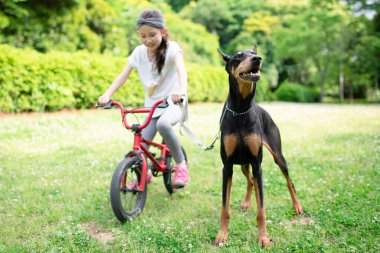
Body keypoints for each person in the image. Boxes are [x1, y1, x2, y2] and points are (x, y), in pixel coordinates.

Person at [98, 9, 189, 188]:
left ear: (163, 32)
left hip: (173, 103)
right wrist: (107, 94)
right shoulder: (139, 52)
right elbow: (122, 76)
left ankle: (181, 165)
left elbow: (181, 70)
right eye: (143, 36)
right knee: (141, 146)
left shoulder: (172, 49)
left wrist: (182, 90)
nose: (148, 40)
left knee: (163, 125)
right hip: (152, 107)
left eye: (152, 35)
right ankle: (144, 174)